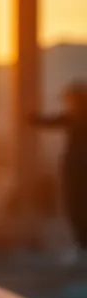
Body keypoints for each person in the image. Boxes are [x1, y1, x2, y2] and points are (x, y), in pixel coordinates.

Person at [31, 81, 87, 263]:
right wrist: (34, 119)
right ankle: (82, 246)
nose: (67, 103)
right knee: (75, 209)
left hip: (77, 172)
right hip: (72, 171)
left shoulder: (76, 117)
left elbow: (52, 121)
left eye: (69, 100)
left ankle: (83, 246)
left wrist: (34, 119)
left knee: (78, 209)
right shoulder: (72, 117)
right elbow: (51, 121)